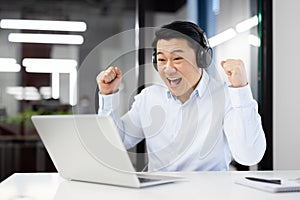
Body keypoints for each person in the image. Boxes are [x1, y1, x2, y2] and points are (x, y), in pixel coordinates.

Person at [96, 21, 266, 172]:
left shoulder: (227, 96)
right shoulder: (149, 98)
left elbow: (249, 156)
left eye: (177, 58)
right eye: (161, 60)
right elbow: (114, 144)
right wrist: (107, 95)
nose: (168, 69)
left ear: (202, 58)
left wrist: (241, 90)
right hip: (157, 194)